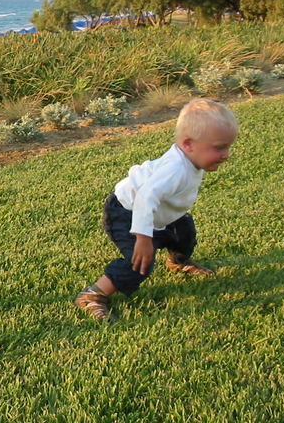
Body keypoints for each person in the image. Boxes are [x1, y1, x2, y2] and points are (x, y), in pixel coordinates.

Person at [74, 98, 238, 321]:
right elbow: (145, 197)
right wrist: (144, 238)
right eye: (219, 148)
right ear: (188, 144)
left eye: (228, 147)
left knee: (184, 233)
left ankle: (178, 261)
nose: (226, 154)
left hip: (161, 213)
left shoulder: (192, 158)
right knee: (140, 261)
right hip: (127, 211)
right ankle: (92, 295)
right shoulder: (176, 169)